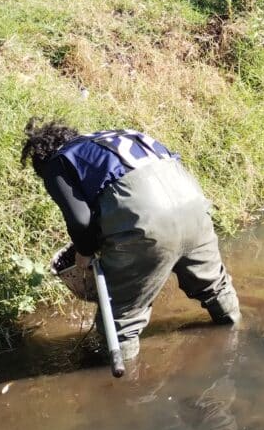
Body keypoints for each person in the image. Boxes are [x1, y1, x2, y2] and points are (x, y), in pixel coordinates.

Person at [21, 119, 240, 361]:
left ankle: (123, 386)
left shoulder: (57, 162)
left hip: (146, 223)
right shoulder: (119, 136)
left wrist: (84, 252)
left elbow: (80, 221)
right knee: (214, 286)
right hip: (194, 207)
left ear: (41, 160)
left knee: (119, 320)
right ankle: (237, 340)